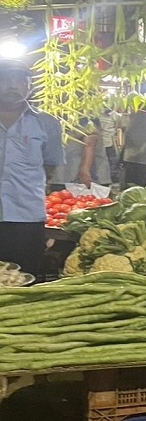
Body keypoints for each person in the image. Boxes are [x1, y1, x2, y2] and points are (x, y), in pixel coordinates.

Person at [0, 59, 65, 274]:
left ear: (30, 86)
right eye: (5, 79)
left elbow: (50, 165)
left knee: (25, 278)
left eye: (20, 80)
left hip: (26, 218)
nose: (12, 85)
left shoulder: (47, 123)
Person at [53, 117, 110, 189]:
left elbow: (90, 140)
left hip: (80, 177)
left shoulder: (82, 114)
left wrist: (84, 169)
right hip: (63, 175)